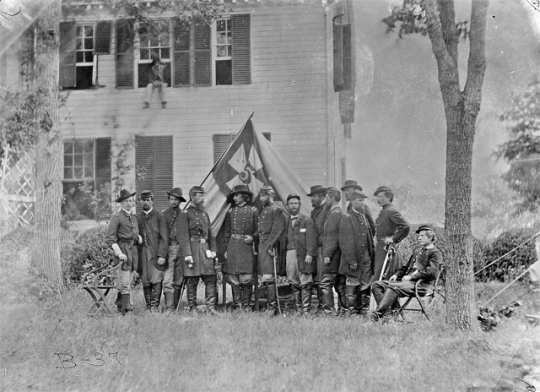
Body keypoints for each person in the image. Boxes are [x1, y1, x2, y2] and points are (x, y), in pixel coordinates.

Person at [371, 225, 442, 321]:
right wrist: (396, 275)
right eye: (419, 235)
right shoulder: (417, 251)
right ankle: (387, 315)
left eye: (422, 236)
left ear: (430, 238)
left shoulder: (435, 253)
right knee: (377, 285)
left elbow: (432, 272)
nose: (419, 238)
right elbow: (405, 268)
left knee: (393, 286)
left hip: (421, 285)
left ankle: (376, 316)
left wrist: (412, 277)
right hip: (407, 283)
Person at [104, 189, 141, 314]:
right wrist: (119, 253)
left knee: (127, 281)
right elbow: (109, 238)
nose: (129, 203)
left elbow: (133, 233)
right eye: (126, 201)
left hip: (132, 253)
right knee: (124, 283)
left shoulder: (134, 217)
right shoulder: (117, 217)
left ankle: (120, 308)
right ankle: (127, 310)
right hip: (122, 253)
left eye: (131, 201)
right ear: (121, 203)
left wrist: (138, 237)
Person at [339, 190, 375, 316]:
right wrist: (351, 260)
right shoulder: (347, 217)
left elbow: (370, 235)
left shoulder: (363, 216)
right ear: (352, 201)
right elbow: (345, 242)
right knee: (352, 283)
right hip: (354, 258)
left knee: (366, 283)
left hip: (366, 256)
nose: (362, 203)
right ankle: (352, 310)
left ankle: (364, 309)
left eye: (362, 200)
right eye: (359, 200)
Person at [222, 185, 258, 310]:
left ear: (244, 196)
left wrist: (253, 238)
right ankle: (238, 304)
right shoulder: (231, 211)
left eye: (237, 195)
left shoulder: (253, 210)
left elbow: (259, 229)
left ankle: (247, 305)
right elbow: (226, 231)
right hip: (233, 246)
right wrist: (226, 249)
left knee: (246, 276)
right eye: (234, 196)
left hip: (246, 246)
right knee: (233, 276)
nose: (235, 198)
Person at [184, 186, 218, 313]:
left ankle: (211, 307)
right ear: (192, 197)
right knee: (192, 279)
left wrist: (213, 250)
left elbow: (211, 234)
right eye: (200, 195)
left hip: (205, 251)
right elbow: (183, 236)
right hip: (192, 250)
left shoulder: (205, 214)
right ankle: (192, 307)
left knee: (210, 278)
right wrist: (187, 253)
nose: (203, 199)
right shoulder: (185, 214)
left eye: (203, 195)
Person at [283, 194, 317, 314]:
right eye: (291, 203)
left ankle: (306, 309)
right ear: (287, 205)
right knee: (293, 281)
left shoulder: (306, 220)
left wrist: (310, 254)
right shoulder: (285, 221)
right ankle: (298, 308)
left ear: (300, 205)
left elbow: (312, 239)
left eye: (296, 203)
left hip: (304, 255)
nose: (293, 206)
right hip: (290, 253)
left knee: (306, 281)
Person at [256, 185, 286, 315]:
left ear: (270, 195)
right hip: (262, 246)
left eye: (263, 196)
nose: (261, 199)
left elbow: (278, 229)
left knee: (269, 276)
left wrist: (270, 245)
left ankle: (272, 308)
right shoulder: (264, 210)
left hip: (270, 247)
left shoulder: (277, 210)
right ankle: (269, 306)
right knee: (265, 277)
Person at [137, 190, 168, 312]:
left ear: (152, 201)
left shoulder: (159, 216)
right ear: (140, 201)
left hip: (155, 253)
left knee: (156, 278)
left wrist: (162, 255)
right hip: (142, 253)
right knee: (145, 279)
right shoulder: (137, 218)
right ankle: (148, 305)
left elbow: (164, 238)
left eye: (148, 200)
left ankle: (155, 306)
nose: (145, 202)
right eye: (143, 200)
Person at [162, 187, 191, 312]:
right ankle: (169, 307)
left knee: (179, 279)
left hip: (182, 249)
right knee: (168, 279)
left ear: (180, 202)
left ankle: (175, 306)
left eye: (176, 200)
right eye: (172, 199)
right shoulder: (164, 214)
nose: (173, 202)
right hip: (169, 248)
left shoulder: (184, 214)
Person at [373, 186, 410, 282]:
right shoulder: (384, 211)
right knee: (380, 276)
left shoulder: (391, 211)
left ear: (388, 197)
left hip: (387, 248)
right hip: (381, 248)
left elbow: (405, 226)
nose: (378, 199)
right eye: (377, 197)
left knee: (384, 276)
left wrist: (393, 239)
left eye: (381, 196)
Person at [320, 187, 345, 315]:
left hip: (333, 256)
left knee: (326, 283)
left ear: (333, 198)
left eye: (327, 198)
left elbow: (333, 237)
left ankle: (328, 312)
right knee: (339, 284)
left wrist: (327, 255)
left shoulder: (335, 214)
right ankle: (343, 311)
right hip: (337, 255)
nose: (325, 201)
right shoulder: (335, 212)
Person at [308, 185, 329, 312]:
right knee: (316, 277)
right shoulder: (314, 211)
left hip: (324, 248)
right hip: (315, 248)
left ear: (321, 196)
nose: (312, 199)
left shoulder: (328, 209)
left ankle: (324, 307)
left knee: (323, 278)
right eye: (311, 197)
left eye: (314, 196)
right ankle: (320, 305)